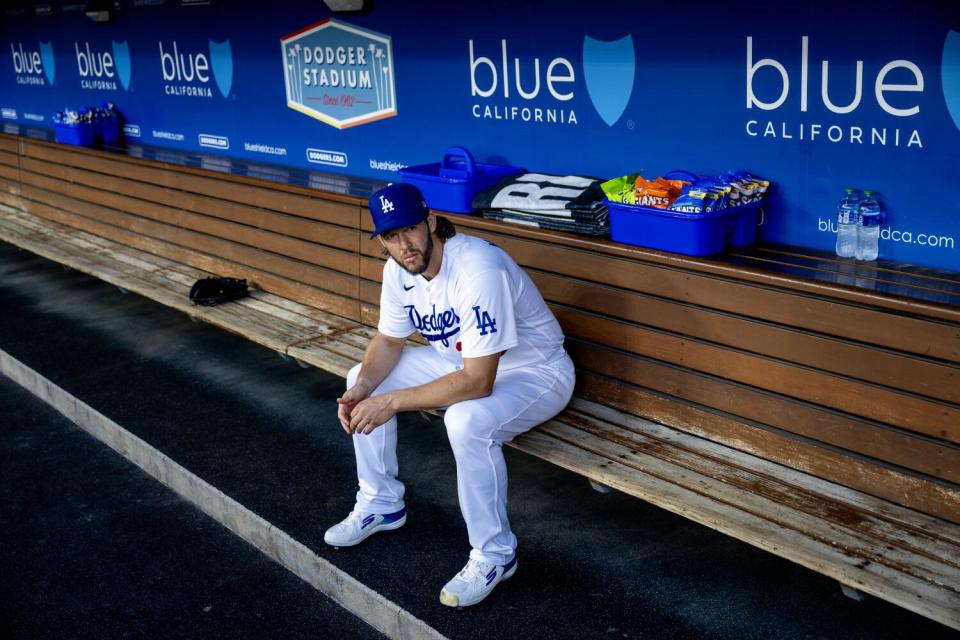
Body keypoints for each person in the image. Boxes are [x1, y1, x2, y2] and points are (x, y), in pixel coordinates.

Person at [325, 182, 575, 608]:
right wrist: (365, 389)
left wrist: (391, 402)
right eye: (390, 236)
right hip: (462, 363)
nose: (403, 244)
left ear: (432, 222)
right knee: (357, 379)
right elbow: (388, 340)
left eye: (409, 230)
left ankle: (495, 555)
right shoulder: (398, 270)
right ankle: (381, 503)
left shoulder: (479, 268)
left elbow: (479, 383)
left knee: (466, 422)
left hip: (535, 373)